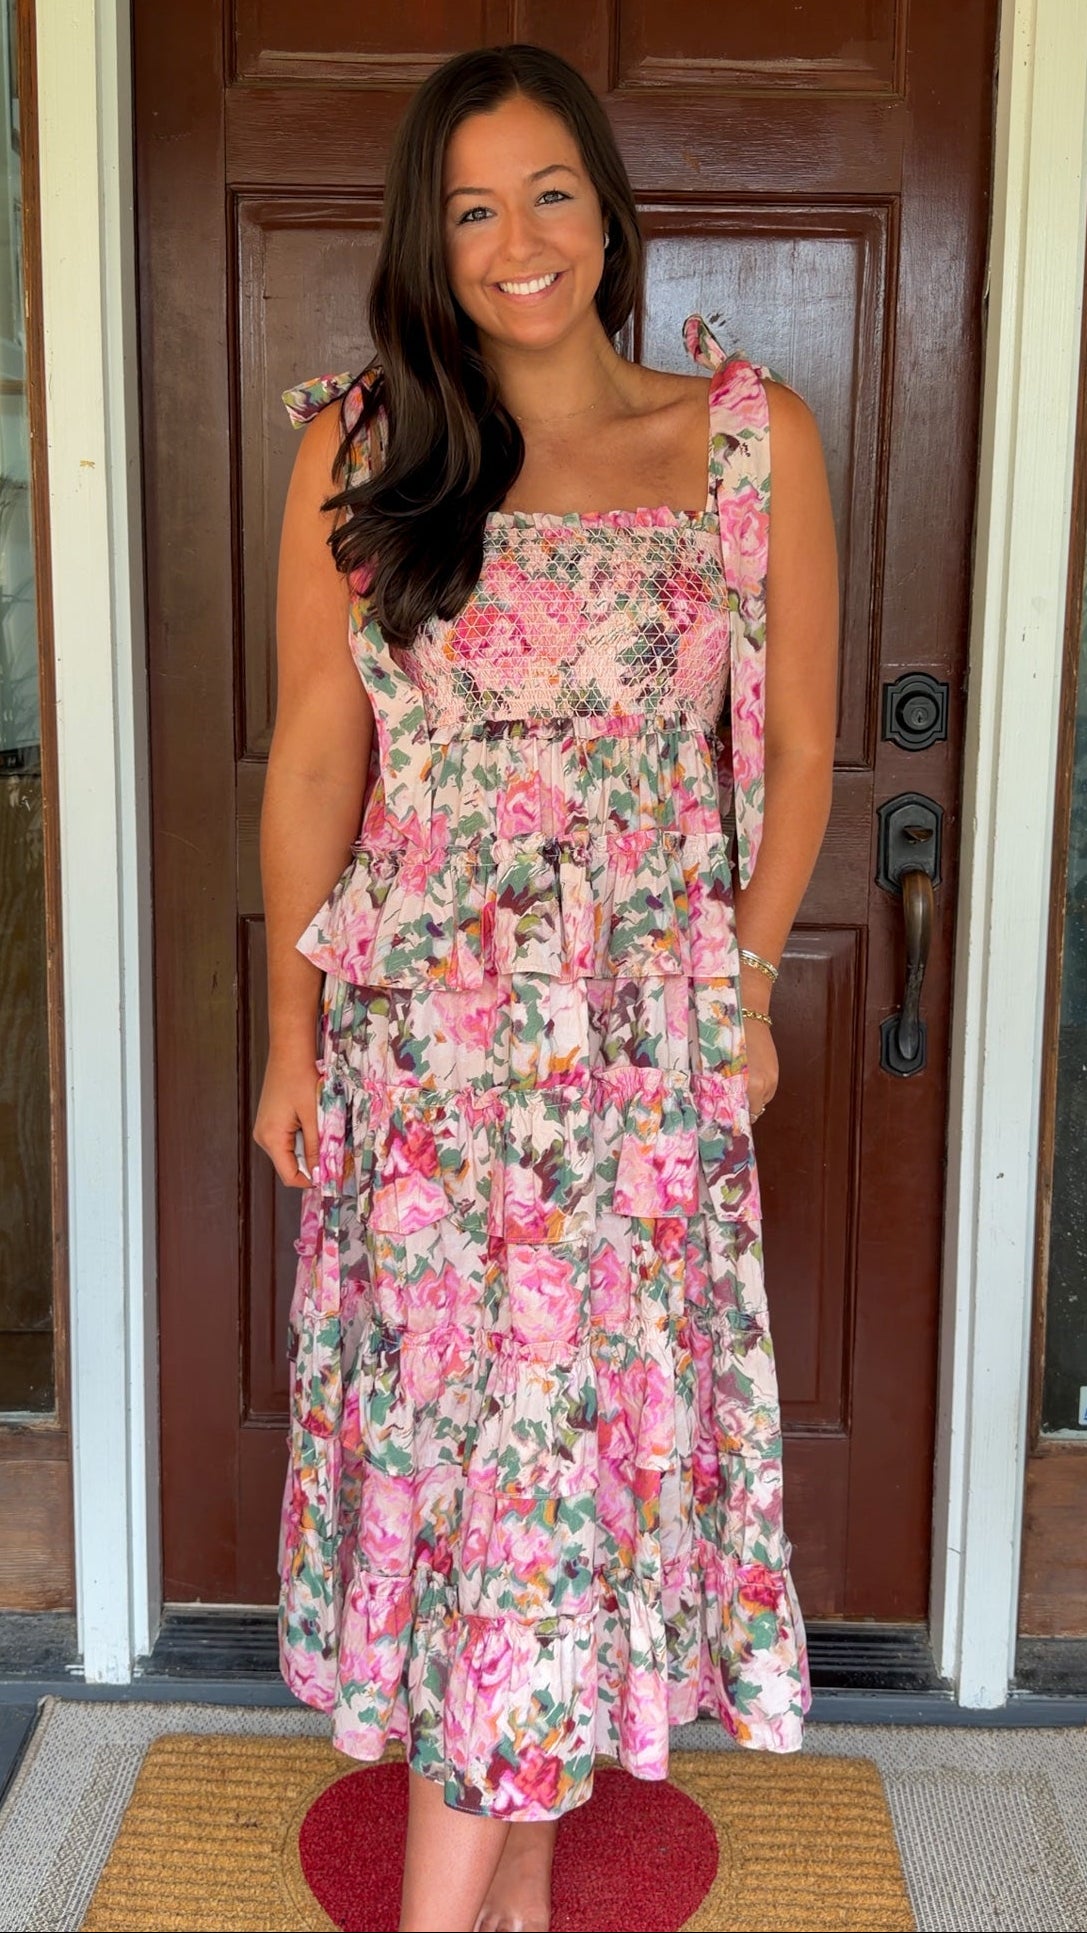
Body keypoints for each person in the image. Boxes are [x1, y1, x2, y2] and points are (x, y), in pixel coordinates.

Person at [253, 40, 838, 1933]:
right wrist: (290, 1038)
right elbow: (315, 762)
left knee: (554, 1501)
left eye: (552, 193)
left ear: (611, 204)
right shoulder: (358, 451)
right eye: (473, 206)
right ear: (430, 237)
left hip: (634, 1076)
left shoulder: (745, 441)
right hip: (426, 1065)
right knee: (483, 1495)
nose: (518, 242)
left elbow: (806, 746)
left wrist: (741, 990)